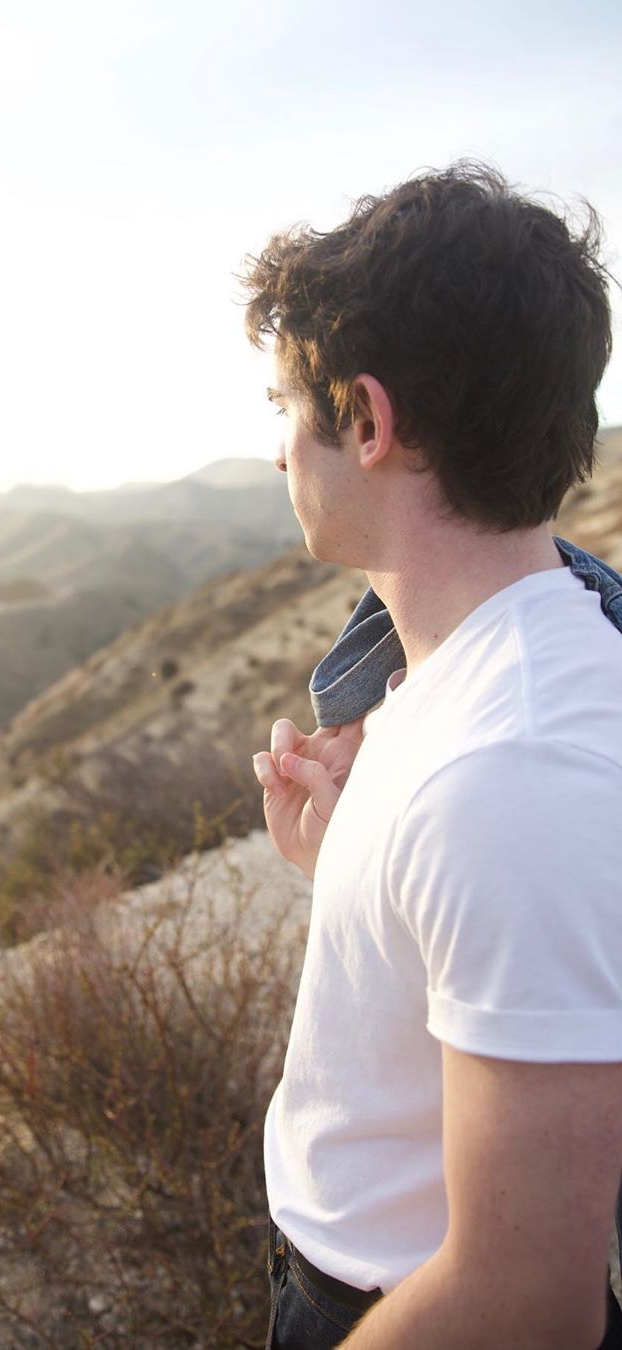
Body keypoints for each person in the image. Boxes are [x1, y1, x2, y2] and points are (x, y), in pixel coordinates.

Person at [244, 162, 622, 1349]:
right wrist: (351, 862)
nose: (275, 455)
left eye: (283, 409)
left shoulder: (511, 768)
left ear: (368, 421)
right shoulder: (466, 671)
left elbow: (523, 1306)